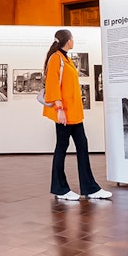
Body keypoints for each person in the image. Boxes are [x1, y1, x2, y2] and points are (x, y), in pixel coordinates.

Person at [42, 29, 112, 201]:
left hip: (73, 113)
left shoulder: (66, 58)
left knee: (82, 145)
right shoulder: (56, 58)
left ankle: (90, 188)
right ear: (67, 40)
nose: (73, 41)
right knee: (62, 147)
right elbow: (52, 84)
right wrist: (59, 109)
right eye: (72, 38)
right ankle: (60, 189)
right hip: (64, 113)